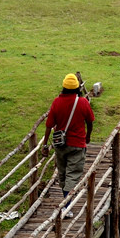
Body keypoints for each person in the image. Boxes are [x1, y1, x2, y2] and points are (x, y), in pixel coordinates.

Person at [42, 73, 95, 203]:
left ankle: (66, 201)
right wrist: (88, 136)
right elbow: (90, 121)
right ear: (78, 88)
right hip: (77, 144)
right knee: (73, 174)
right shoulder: (82, 102)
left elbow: (49, 126)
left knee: (63, 173)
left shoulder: (57, 102)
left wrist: (45, 145)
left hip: (60, 144)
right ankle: (67, 204)